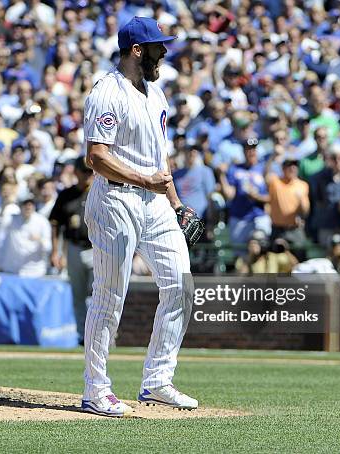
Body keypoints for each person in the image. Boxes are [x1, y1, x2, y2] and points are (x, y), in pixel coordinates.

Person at [80, 17, 197, 417]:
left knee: (181, 286)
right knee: (110, 296)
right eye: (158, 46)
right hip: (116, 200)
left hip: (155, 201)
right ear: (136, 50)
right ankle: (96, 388)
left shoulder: (157, 93)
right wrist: (146, 180)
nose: (164, 51)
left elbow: (158, 158)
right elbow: (96, 156)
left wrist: (177, 203)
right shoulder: (106, 91)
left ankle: (157, 381)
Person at [49, 156, 94, 345]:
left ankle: (102, 337)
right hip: (74, 248)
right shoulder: (66, 195)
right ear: (75, 172)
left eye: (90, 172)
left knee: (98, 295)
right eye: (84, 171)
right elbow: (55, 224)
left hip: (97, 249)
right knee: (78, 295)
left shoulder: (100, 192)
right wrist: (55, 251)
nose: (88, 175)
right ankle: (83, 336)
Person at [0, 195, 51, 277]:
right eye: (25, 204)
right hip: (13, 270)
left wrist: (39, 239)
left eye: (31, 204)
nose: (28, 207)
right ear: (20, 206)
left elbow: (48, 247)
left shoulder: (42, 222)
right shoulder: (12, 219)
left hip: (34, 271)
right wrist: (4, 206)